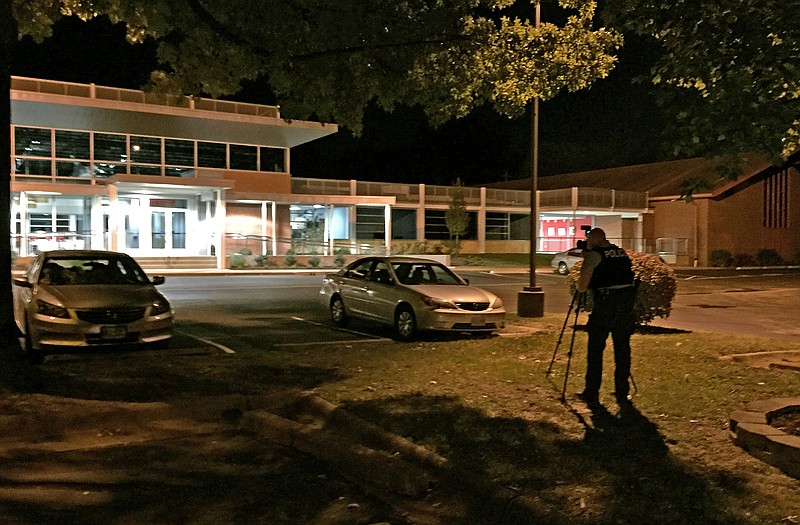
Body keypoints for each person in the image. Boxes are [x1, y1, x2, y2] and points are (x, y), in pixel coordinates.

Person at [575, 228, 636, 406]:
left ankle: (591, 392)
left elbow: (582, 285)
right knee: (622, 348)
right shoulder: (621, 252)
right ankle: (622, 391)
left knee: (595, 350)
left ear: (593, 240)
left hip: (605, 306)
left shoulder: (594, 255)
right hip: (625, 307)